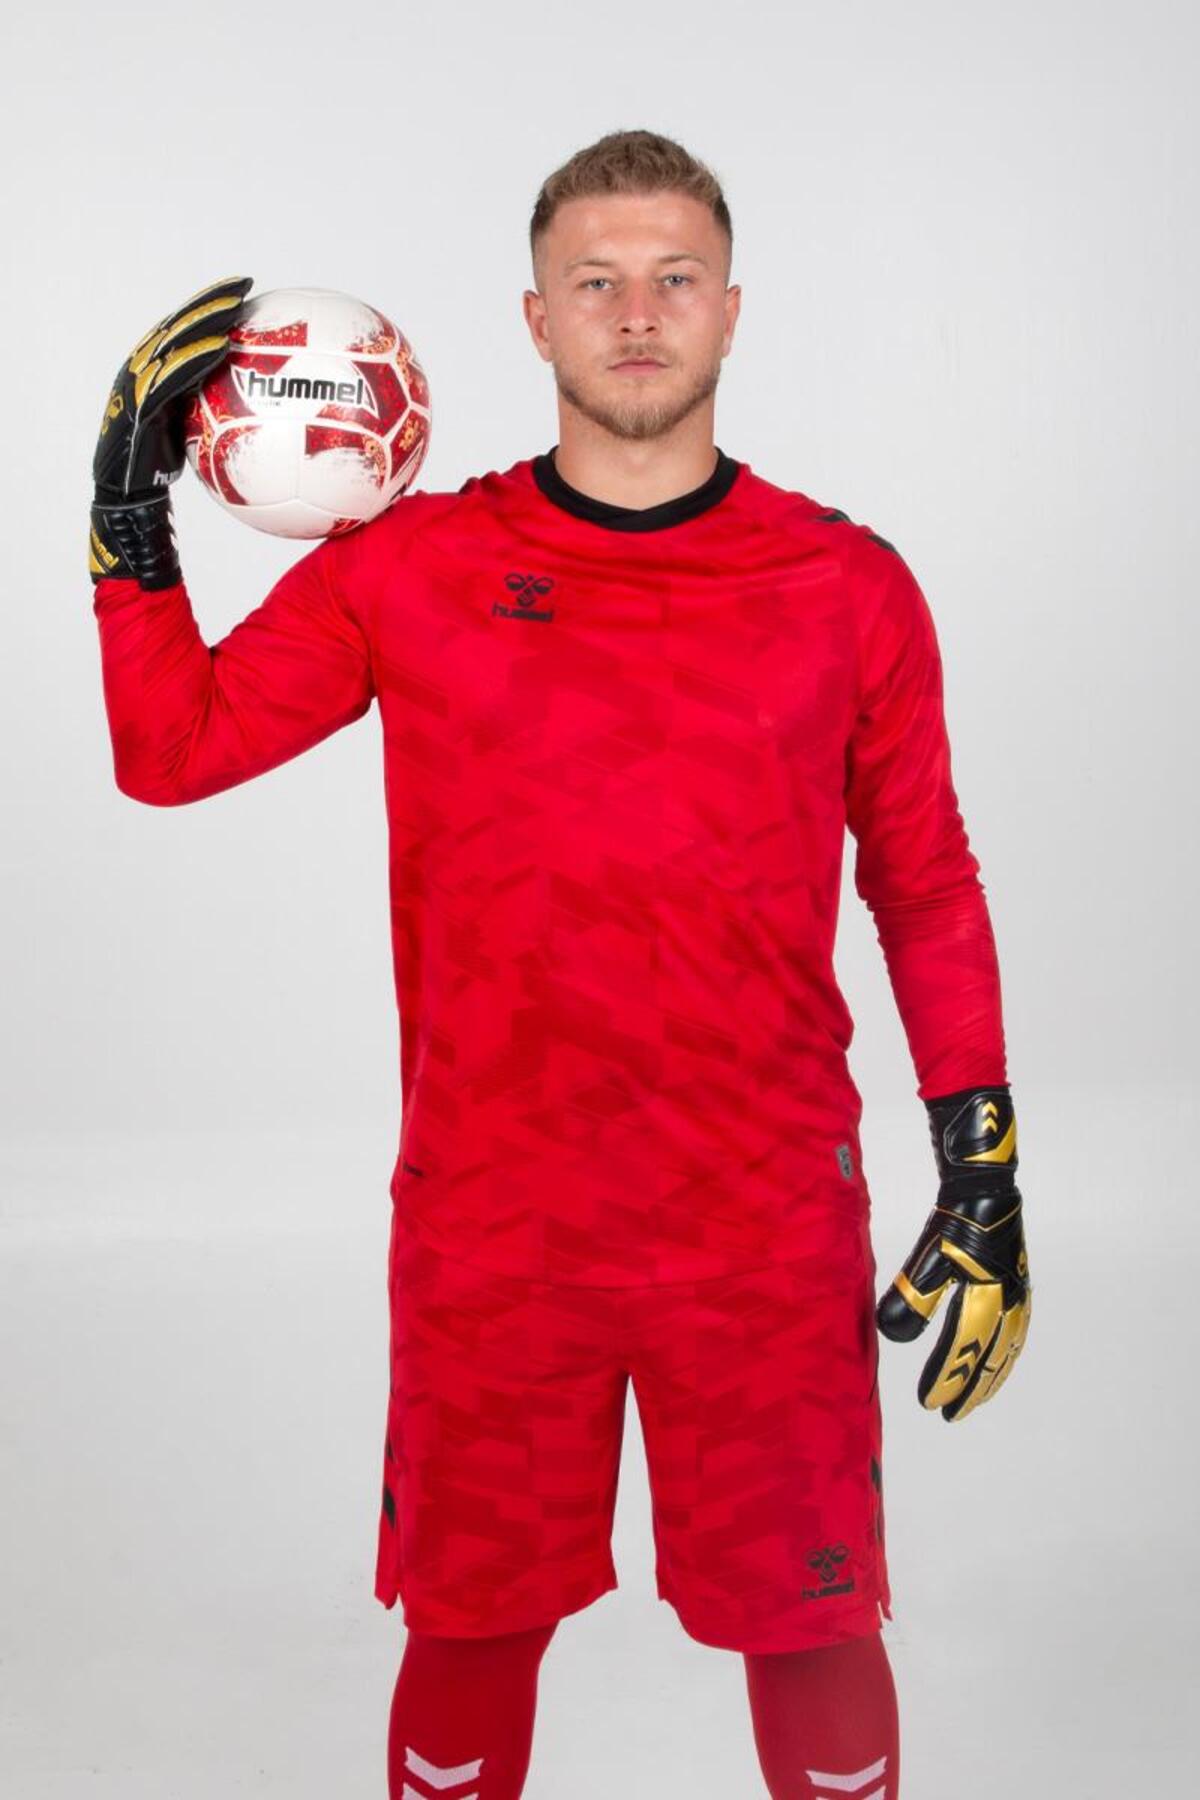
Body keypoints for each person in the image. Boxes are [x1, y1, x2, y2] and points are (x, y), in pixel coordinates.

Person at [89, 128, 1031, 1800]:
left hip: (760, 1226)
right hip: (495, 1229)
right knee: (467, 1629)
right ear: (535, 320)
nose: (636, 312)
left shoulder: (847, 585)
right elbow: (173, 749)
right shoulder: (411, 566)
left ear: (731, 308)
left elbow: (927, 884)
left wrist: (984, 1163)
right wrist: (127, 524)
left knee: (815, 1630)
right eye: (595, 282)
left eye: (674, 278)